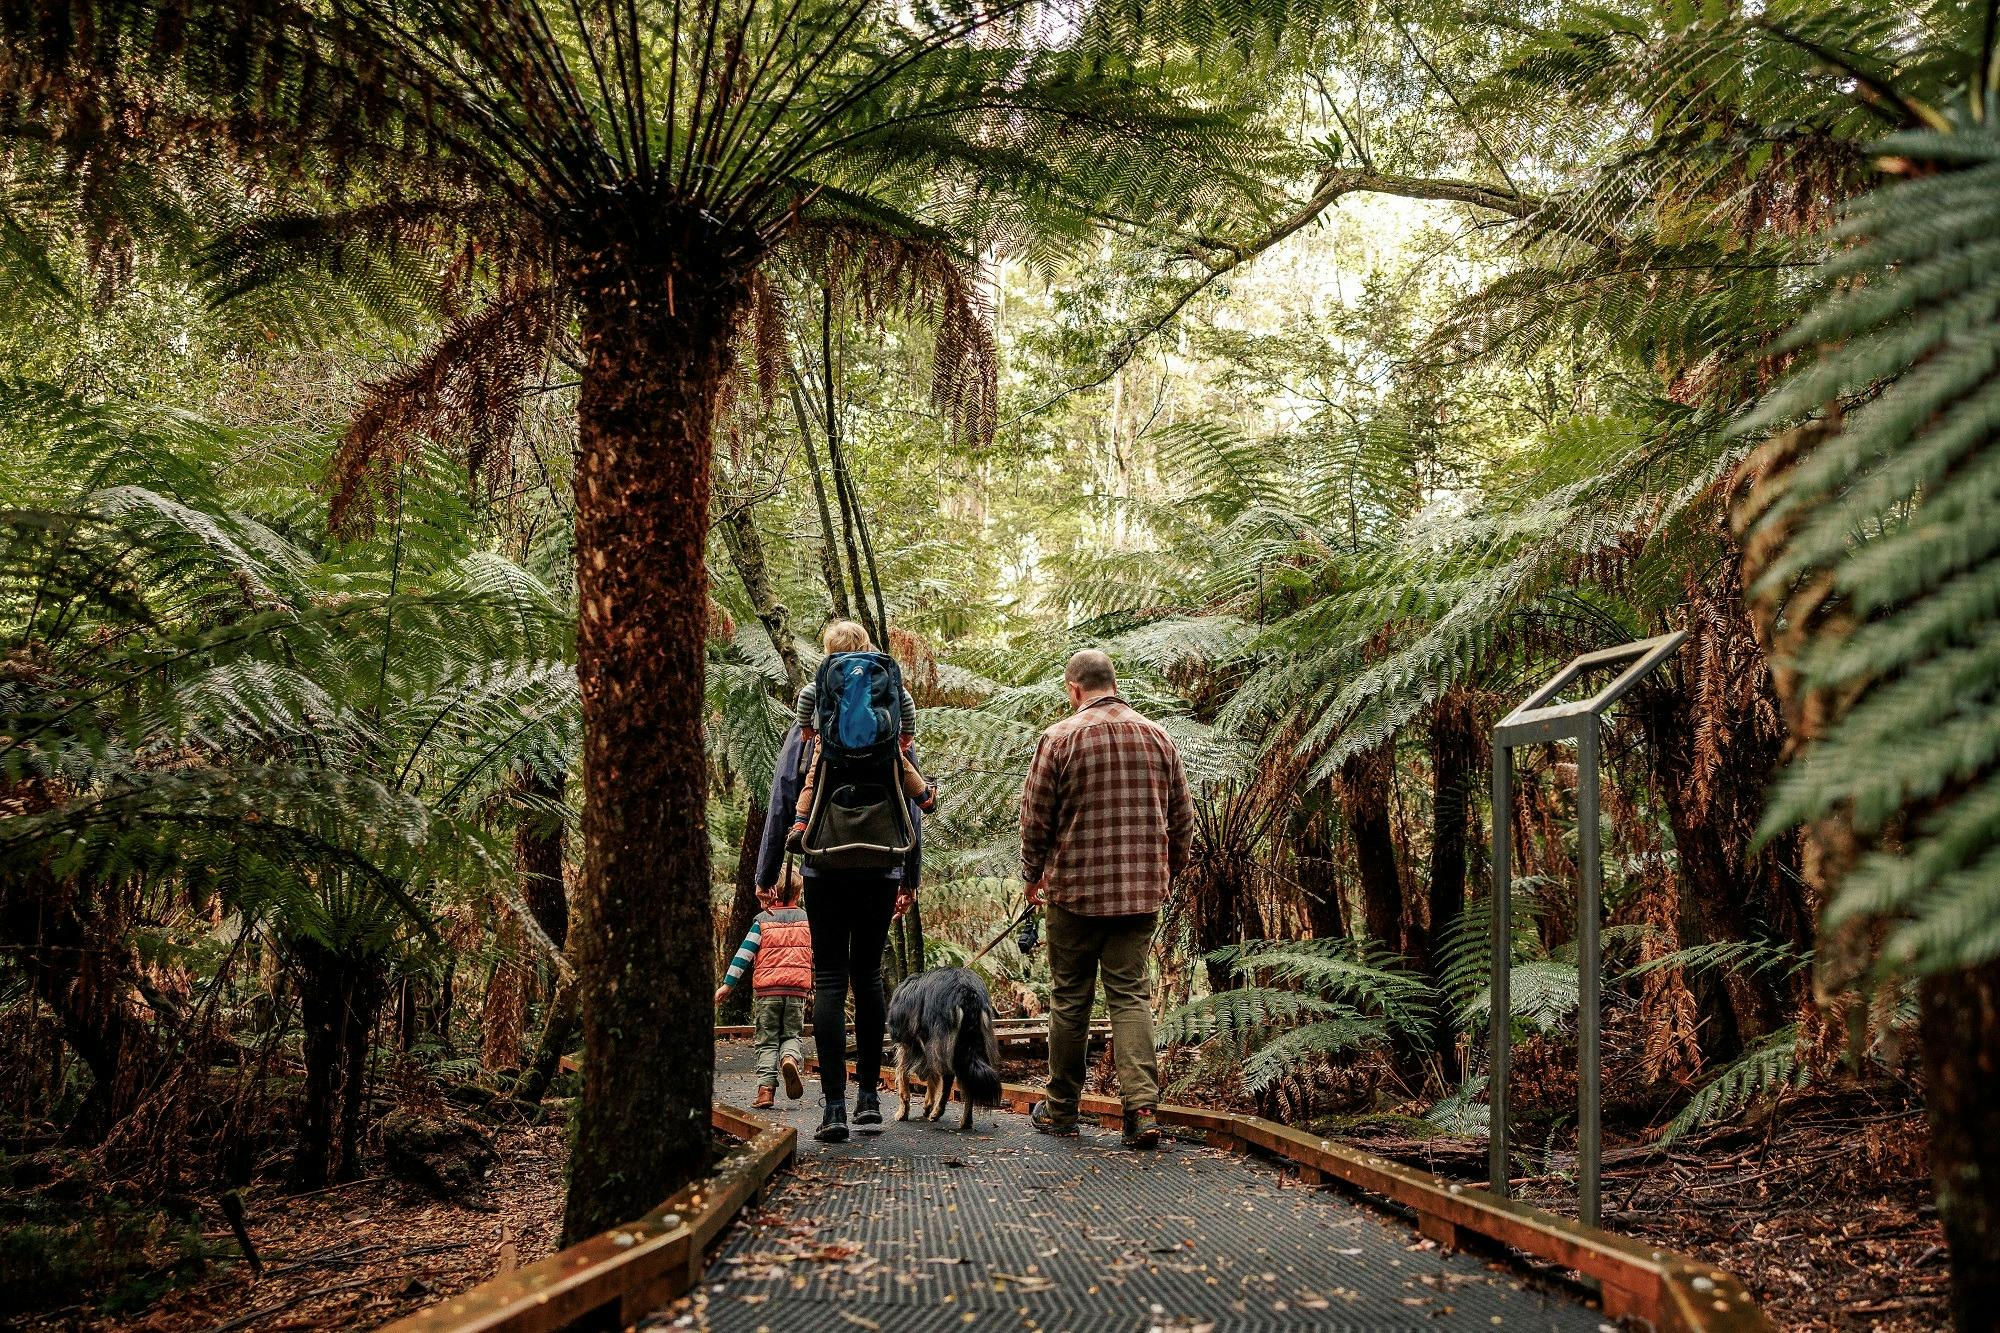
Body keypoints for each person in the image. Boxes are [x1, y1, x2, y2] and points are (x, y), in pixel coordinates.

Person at [1020, 649, 1193, 1149]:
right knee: (1130, 995)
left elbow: (1037, 820)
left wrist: (1032, 876)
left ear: (1074, 689)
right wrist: (1165, 872)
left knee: (1070, 998)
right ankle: (1142, 1110)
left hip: (1073, 893)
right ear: (1112, 683)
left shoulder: (1058, 739)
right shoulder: (1157, 736)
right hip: (1139, 896)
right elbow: (1181, 819)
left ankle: (1062, 1109)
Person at [758, 672, 926, 1144]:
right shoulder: (888, 719)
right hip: (881, 863)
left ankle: (834, 1107)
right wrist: (909, 873)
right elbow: (909, 801)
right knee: (869, 975)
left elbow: (783, 798)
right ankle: (869, 1100)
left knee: (830, 977)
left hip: (823, 864)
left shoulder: (813, 719)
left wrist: (766, 872)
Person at [787, 620, 934, 849]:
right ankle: (924, 797)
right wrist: (907, 732)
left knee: (813, 777)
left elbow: (806, 697)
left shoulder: (829, 672)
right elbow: (905, 701)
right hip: (879, 747)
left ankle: (800, 823)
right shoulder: (880, 671)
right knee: (899, 764)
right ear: (866, 645)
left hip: (832, 747)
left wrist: (805, 726)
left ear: (828, 650)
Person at [714, 867, 812, 1110]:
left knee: (766, 1041)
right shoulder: (808, 920)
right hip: (797, 991)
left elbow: (744, 955)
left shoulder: (762, 921)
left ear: (769, 892)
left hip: (768, 991)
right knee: (791, 1035)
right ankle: (789, 1058)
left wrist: (728, 984)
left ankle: (765, 1091)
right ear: (798, 894)